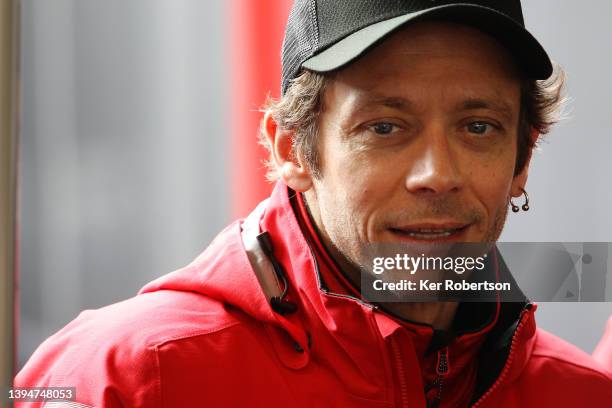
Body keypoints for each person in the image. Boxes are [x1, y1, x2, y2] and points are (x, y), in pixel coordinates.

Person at [15, 1, 612, 407]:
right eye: (384, 127)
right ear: (292, 149)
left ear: (522, 161)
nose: (438, 175)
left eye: (478, 126)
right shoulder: (124, 377)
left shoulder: (580, 394)